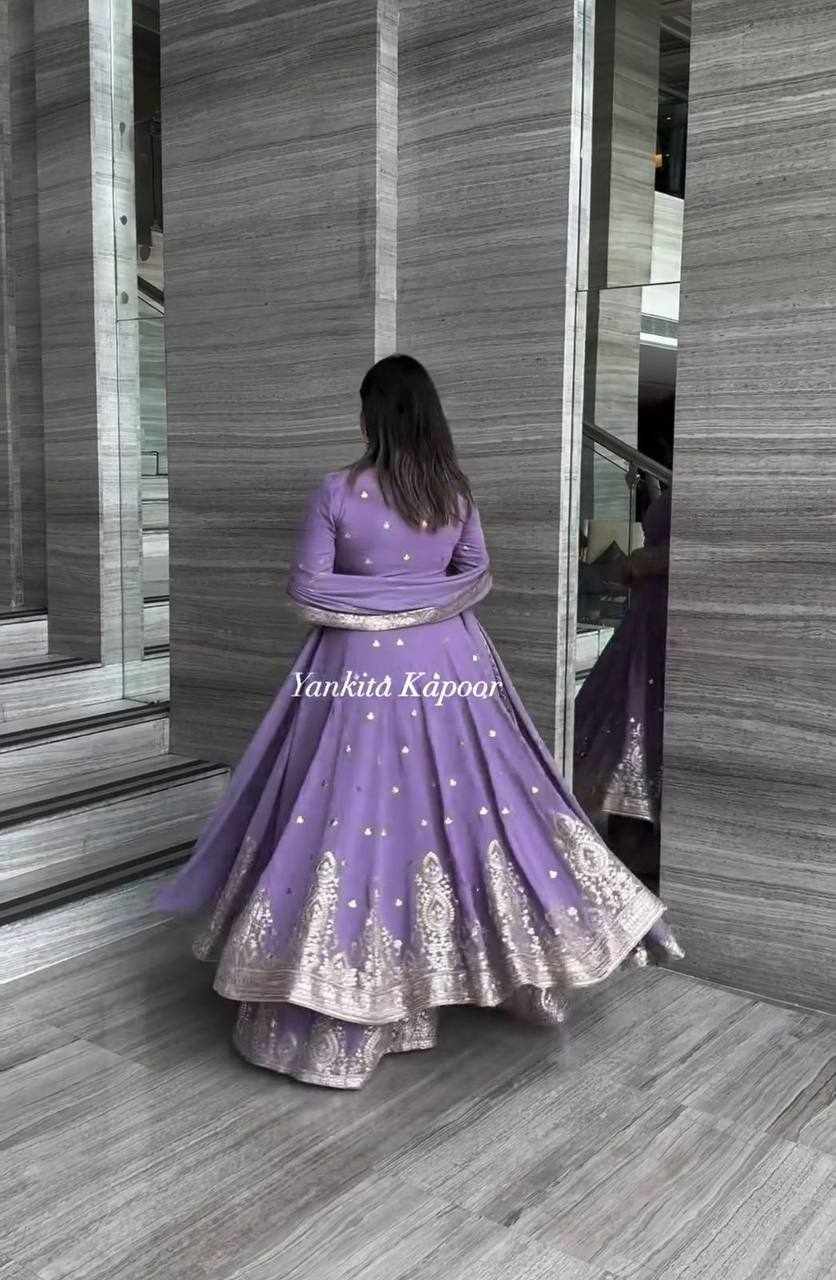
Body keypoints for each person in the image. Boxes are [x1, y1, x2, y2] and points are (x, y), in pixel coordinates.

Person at [155, 354, 681, 1089]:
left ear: (369, 416)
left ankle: (350, 998)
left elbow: (308, 589)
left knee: (353, 814)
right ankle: (470, 968)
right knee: (467, 807)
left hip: (354, 668)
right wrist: (423, 598)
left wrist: (381, 601)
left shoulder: (338, 490)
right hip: (451, 663)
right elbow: (474, 577)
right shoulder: (452, 492)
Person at [573, 480, 673, 891]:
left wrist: (651, 560)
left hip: (671, 621)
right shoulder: (675, 483)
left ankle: (647, 846)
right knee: (625, 724)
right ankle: (627, 841)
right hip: (646, 619)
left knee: (648, 722)